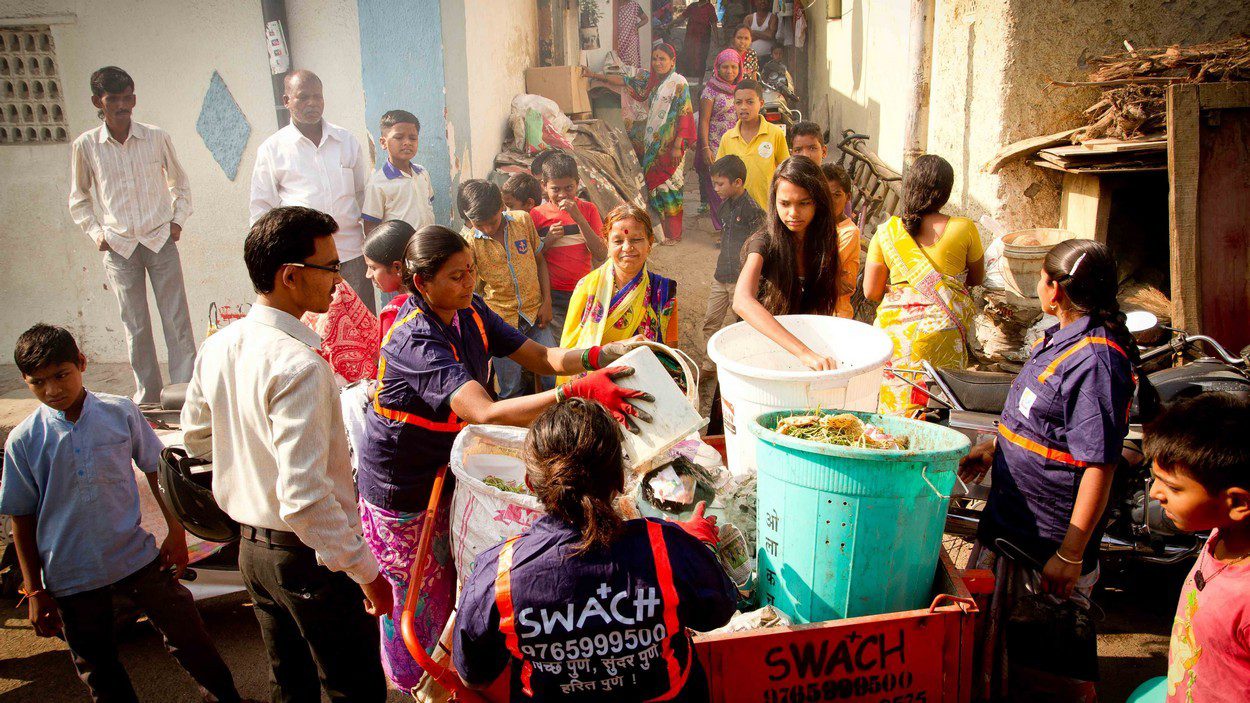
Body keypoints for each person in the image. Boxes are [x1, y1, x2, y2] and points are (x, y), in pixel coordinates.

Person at [356, 224, 654, 690]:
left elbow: (540, 356)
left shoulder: (470, 310)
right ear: (421, 283)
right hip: (402, 483)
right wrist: (578, 392)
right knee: (413, 588)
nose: (469, 282)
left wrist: (600, 355)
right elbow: (484, 412)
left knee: (448, 575)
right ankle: (414, 685)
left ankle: (447, 674)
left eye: (470, 271)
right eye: (456, 276)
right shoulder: (414, 339)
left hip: (447, 464)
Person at [182, 206, 391, 703]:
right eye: (331, 267)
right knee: (354, 688)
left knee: (290, 684)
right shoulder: (300, 365)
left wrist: (249, 458)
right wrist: (367, 572)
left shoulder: (221, 345)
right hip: (308, 558)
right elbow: (304, 499)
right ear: (290, 276)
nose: (339, 281)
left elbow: (196, 439)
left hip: (254, 553)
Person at [1, 324, 248, 703]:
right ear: (25, 381)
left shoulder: (119, 412)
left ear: (82, 363)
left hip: (138, 559)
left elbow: (155, 470)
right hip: (71, 577)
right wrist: (34, 590)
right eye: (38, 382)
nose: (52, 390)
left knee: (190, 639)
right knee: (98, 667)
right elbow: (21, 518)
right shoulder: (24, 440)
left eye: (61, 375)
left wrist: (175, 533)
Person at [957, 239, 1150, 701]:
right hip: (1013, 522)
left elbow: (1099, 463)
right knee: (999, 654)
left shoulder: (1096, 361)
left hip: (1046, 542)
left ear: (1055, 289)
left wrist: (1070, 554)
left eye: (1042, 279)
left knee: (1043, 668)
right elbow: (1045, 423)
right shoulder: (1062, 337)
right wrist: (996, 447)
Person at [454, 399, 738, 700]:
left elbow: (475, 674)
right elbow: (717, 614)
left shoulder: (500, 574)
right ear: (620, 479)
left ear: (531, 484)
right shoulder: (668, 548)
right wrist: (698, 547)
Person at [69, 66, 196, 405]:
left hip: (159, 239)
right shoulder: (86, 145)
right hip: (119, 246)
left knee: (177, 320)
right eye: (113, 99)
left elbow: (180, 184)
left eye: (127, 98)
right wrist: (97, 233)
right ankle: (149, 398)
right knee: (136, 325)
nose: (122, 106)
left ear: (134, 99)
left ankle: (185, 395)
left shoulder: (155, 136)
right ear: (98, 102)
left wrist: (177, 222)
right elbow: (79, 198)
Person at [1145, 394, 1250, 703]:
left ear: (1238, 503)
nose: (1155, 493)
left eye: (1173, 486)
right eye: (1155, 479)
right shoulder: (1222, 535)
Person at [862, 155, 984, 416]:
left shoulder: (887, 232)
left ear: (909, 187)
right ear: (946, 191)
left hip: (895, 335)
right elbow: (976, 279)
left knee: (896, 408)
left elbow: (871, 292)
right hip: (943, 332)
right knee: (940, 407)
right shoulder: (964, 228)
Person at [250, 70, 374, 309]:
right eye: (303, 97)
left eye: (317, 97)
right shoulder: (272, 149)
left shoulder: (346, 141)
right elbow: (261, 210)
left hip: (351, 254)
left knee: (361, 322)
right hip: (306, 262)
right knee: (314, 324)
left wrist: (371, 246)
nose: (312, 103)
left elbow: (364, 196)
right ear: (286, 101)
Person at [733, 156, 857, 371]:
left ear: (818, 202)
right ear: (774, 202)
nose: (793, 213)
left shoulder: (824, 243)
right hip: (759, 353)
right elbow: (742, 301)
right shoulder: (763, 243)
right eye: (785, 203)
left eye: (804, 203)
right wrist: (804, 353)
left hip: (802, 354)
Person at [586, 43, 696, 244]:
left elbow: (685, 113)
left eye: (662, 59)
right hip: (652, 146)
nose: (658, 63)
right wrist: (594, 75)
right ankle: (661, 232)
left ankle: (674, 234)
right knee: (655, 187)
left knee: (671, 187)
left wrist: (678, 144)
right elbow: (625, 81)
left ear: (672, 61)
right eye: (655, 58)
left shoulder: (679, 83)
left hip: (671, 146)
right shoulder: (650, 80)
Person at [458, 179, 555, 399]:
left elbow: (540, 260)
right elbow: (473, 290)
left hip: (535, 314)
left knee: (552, 375)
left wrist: (547, 301)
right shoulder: (468, 244)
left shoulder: (522, 220)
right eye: (479, 224)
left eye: (492, 221)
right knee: (510, 387)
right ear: (468, 218)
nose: (487, 229)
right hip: (501, 323)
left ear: (502, 206)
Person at [561, 205, 679, 370]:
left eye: (636, 240)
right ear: (607, 243)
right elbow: (570, 346)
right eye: (618, 241)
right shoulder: (586, 287)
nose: (627, 247)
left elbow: (670, 357)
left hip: (645, 379)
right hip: (594, 380)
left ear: (650, 242)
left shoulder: (662, 292)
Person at [529, 153, 607, 333]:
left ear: (578, 184)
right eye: (555, 189)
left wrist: (579, 218)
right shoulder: (537, 215)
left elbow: (601, 253)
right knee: (561, 341)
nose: (563, 194)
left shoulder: (588, 209)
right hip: (553, 295)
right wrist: (547, 241)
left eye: (569, 188)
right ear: (544, 186)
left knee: (583, 339)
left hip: (585, 291)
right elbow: (532, 259)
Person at [702, 155, 764, 374]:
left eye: (720, 184)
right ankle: (709, 365)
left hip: (741, 280)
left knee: (743, 326)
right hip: (721, 276)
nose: (716, 189)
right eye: (714, 184)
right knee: (711, 321)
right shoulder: (724, 207)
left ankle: (741, 366)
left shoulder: (753, 211)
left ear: (737, 182)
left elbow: (760, 246)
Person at [716, 79, 789, 210]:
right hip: (737, 211)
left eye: (750, 102)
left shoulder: (775, 134)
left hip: (767, 209)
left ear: (761, 103)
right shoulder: (727, 138)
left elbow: (785, 171)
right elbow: (720, 175)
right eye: (739, 102)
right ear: (734, 104)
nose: (743, 107)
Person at [361, 109, 435, 240]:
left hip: (426, 245)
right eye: (399, 137)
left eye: (413, 138)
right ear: (383, 142)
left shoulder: (422, 173)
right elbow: (370, 227)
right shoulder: (377, 184)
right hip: (399, 248)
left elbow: (428, 207)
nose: (407, 142)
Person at [697, 48, 743, 227]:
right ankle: (722, 227)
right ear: (717, 67)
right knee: (719, 186)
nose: (729, 71)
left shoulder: (741, 89)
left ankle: (735, 225)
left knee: (735, 183)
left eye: (734, 67)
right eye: (725, 67)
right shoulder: (710, 91)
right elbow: (704, 120)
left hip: (737, 143)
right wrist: (705, 148)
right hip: (716, 144)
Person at [364, 220, 416, 341]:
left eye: (373, 267)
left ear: (397, 267)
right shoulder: (435, 296)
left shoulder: (394, 313)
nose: (368, 275)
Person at [822, 163, 862, 318]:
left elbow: (819, 272)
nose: (830, 200)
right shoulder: (815, 225)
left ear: (848, 197)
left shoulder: (849, 232)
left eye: (836, 195)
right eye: (825, 194)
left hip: (836, 313)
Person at [672, 0, 718, 82]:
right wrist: (670, 25)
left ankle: (700, 82)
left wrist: (716, 39)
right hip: (690, 38)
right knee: (687, 56)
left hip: (703, 38)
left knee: (701, 58)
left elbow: (714, 24)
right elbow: (682, 18)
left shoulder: (710, 8)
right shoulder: (693, 6)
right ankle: (683, 81)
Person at [615, 0, 648, 69]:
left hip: (630, 41)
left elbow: (645, 19)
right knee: (618, 66)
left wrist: (637, 26)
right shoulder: (613, 4)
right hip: (616, 42)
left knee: (631, 65)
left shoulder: (634, 6)